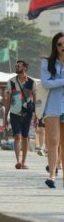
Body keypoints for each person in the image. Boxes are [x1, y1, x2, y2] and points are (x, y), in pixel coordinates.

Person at [40, 32, 64, 188]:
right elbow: (45, 83)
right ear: (55, 46)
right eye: (60, 44)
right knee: (53, 141)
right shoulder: (46, 63)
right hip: (52, 107)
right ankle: (52, 176)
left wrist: (57, 81)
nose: (63, 47)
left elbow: (52, 82)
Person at [4, 60, 36, 170]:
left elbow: (35, 100)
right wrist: (5, 117)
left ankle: (24, 162)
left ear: (25, 68)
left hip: (27, 113)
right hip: (14, 112)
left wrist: (36, 116)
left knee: (25, 137)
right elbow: (8, 101)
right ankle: (17, 161)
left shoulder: (32, 82)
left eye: (19, 66)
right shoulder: (11, 82)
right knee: (17, 136)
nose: (16, 67)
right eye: (16, 65)